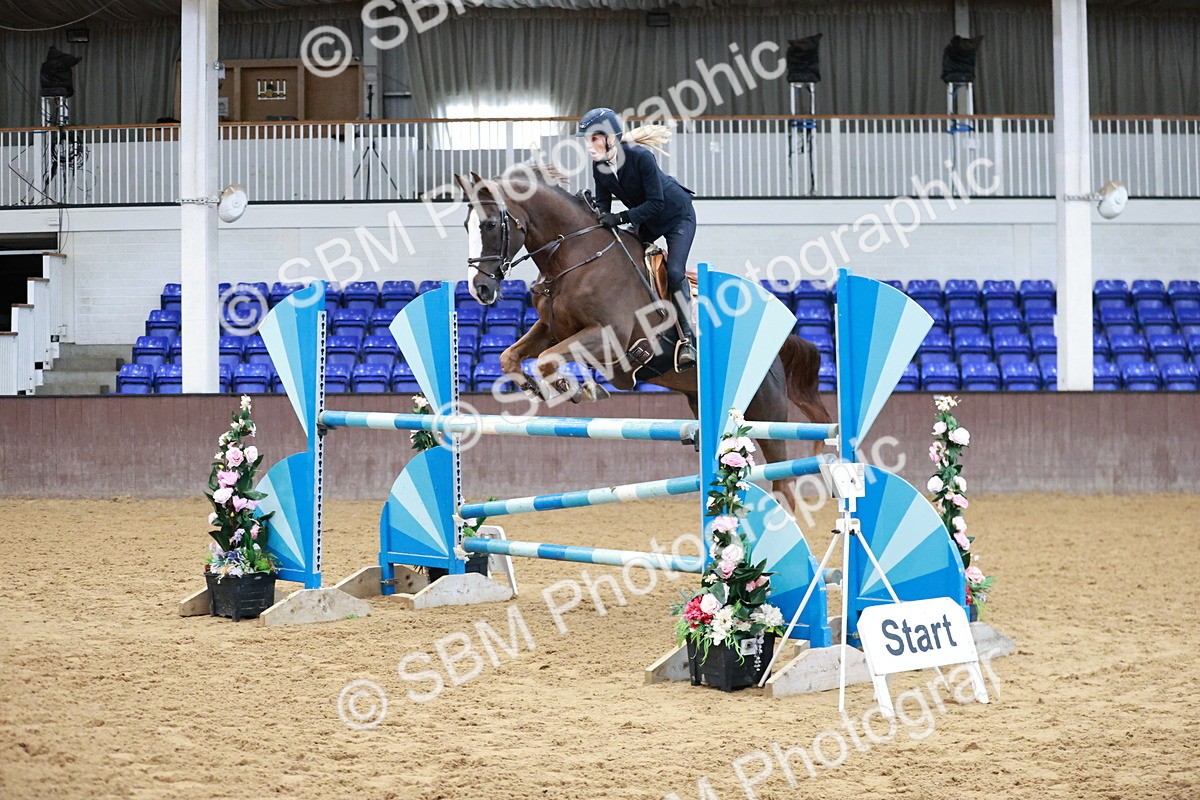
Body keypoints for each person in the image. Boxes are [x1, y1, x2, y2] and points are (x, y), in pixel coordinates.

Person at [577, 107, 697, 369]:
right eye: (587, 140)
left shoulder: (641, 157)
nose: (589, 146)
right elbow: (603, 204)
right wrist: (593, 212)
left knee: (675, 272)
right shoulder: (600, 166)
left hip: (677, 217)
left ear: (610, 138)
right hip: (646, 220)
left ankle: (687, 338)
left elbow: (656, 203)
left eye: (594, 139)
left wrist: (618, 219)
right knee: (623, 258)